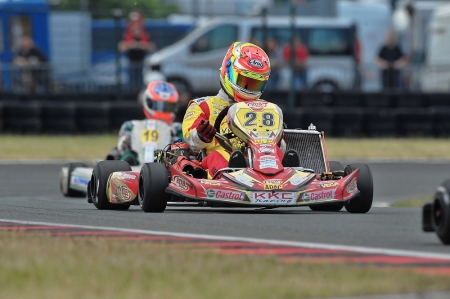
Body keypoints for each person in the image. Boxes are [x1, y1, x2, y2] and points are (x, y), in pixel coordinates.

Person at [182, 42, 288, 179]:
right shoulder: (204, 105)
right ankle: (232, 176)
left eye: (255, 84)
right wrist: (201, 135)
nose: (249, 89)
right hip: (222, 160)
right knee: (220, 157)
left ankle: (287, 175)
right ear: (228, 71)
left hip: (261, 158)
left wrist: (278, 139)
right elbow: (190, 139)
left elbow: (281, 146)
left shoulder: (265, 108)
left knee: (278, 154)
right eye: (244, 81)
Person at [107, 81, 181, 165]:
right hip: (135, 168)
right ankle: (129, 161)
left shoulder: (178, 129)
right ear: (148, 102)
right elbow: (121, 148)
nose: (162, 110)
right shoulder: (131, 126)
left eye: (167, 106)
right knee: (121, 153)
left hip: (168, 167)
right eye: (157, 105)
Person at [119, 21, 155, 92]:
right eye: (135, 29)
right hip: (131, 62)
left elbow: (152, 47)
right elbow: (121, 47)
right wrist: (131, 45)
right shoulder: (128, 37)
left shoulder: (144, 37)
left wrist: (143, 45)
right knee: (131, 79)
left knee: (140, 80)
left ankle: (140, 93)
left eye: (138, 29)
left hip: (141, 62)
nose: (137, 31)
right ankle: (130, 93)